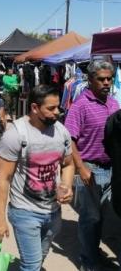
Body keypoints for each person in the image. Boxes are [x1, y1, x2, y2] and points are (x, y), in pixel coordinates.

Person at [0, 85, 74, 271]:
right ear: (35, 107)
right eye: (51, 108)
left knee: (39, 259)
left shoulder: (61, 132)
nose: (57, 113)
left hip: (53, 212)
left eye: (58, 108)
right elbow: (3, 178)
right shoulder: (15, 134)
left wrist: (67, 185)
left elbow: (68, 164)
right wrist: (0, 219)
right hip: (24, 212)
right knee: (31, 265)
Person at [64, 61, 119, 271]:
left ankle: (94, 253)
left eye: (109, 78)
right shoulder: (80, 105)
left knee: (104, 217)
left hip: (111, 169)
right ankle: (88, 261)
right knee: (91, 218)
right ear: (90, 79)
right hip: (89, 169)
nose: (106, 82)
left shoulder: (114, 103)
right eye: (101, 79)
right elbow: (70, 140)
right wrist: (81, 168)